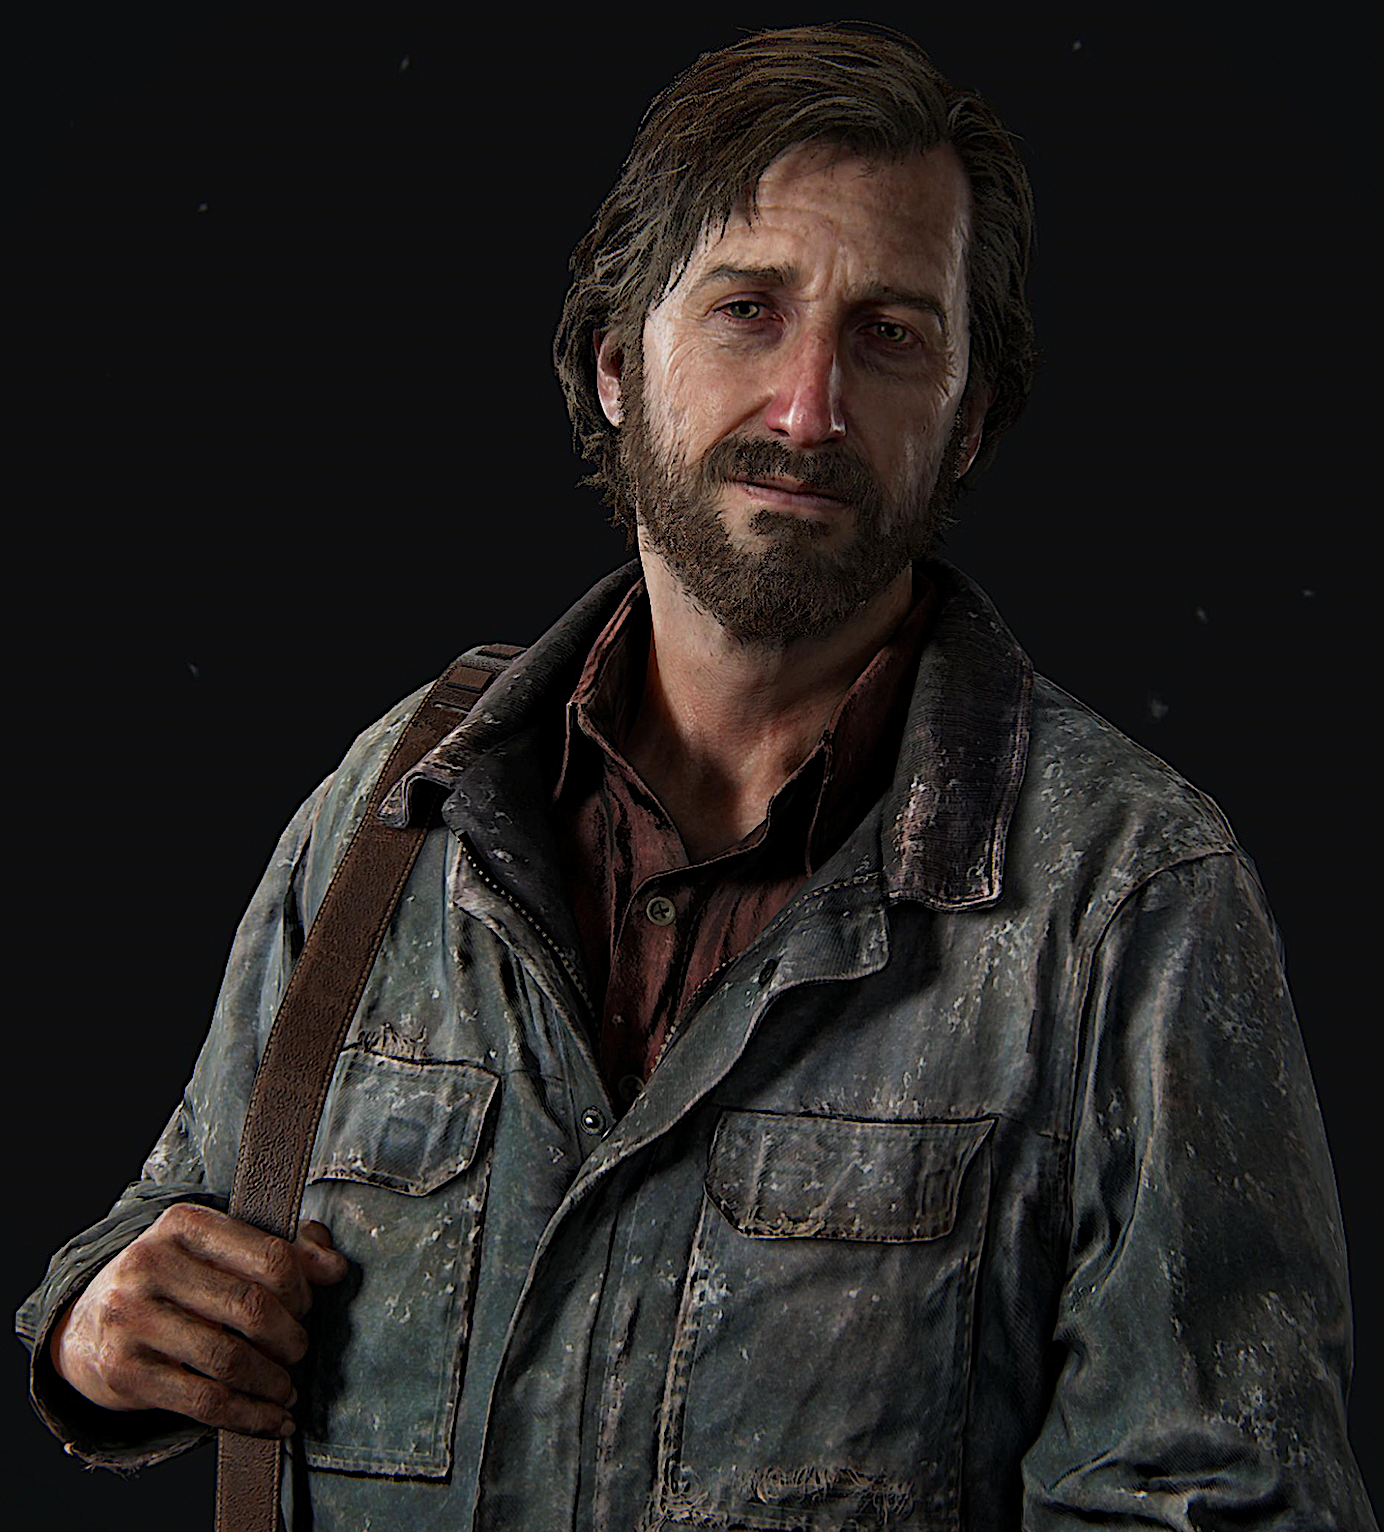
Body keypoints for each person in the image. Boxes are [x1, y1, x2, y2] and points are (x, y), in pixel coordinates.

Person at [15, 22, 1375, 1530]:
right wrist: (99, 1327)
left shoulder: (1129, 899)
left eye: (890, 335)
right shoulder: (395, 809)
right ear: (617, 364)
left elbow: (1223, 1497)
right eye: (747, 310)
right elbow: (182, 1216)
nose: (807, 409)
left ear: (969, 422)